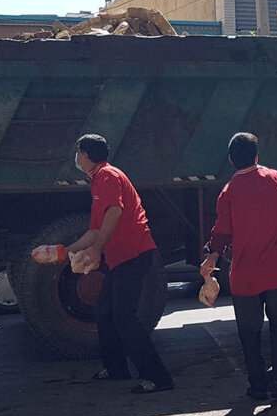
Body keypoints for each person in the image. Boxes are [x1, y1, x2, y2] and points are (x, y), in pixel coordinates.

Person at [31, 134, 172, 394]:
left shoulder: (107, 177)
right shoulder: (99, 180)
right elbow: (95, 231)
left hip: (134, 254)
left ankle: (159, 377)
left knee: (123, 317)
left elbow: (114, 213)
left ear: (84, 155)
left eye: (77, 153)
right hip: (122, 258)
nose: (76, 158)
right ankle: (116, 368)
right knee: (105, 311)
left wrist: (95, 250)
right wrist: (62, 252)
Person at [200, 132, 277, 404]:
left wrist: (211, 257)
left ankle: (258, 384)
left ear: (230, 160)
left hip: (245, 275)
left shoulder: (229, 191)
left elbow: (221, 232)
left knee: (249, 332)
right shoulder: (275, 179)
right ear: (257, 156)